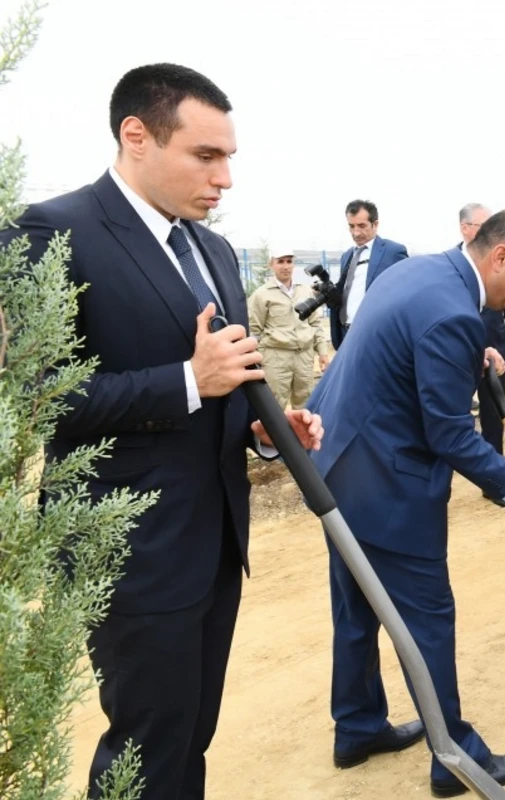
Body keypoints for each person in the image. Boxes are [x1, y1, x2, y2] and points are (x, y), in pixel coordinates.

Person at [0, 63, 323, 799]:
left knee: (189, 735)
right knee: (144, 748)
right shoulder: (51, 231)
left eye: (229, 157)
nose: (225, 178)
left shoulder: (211, 248)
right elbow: (34, 398)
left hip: (214, 541)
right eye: (206, 156)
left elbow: (226, 378)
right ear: (136, 136)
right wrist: (186, 381)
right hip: (128, 551)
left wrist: (268, 430)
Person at [307, 209, 505, 798]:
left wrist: (477, 358)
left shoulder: (418, 273)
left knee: (357, 606)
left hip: (337, 466)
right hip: (388, 485)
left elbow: (407, 352)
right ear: (500, 257)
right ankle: (455, 759)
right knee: (427, 620)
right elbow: (450, 435)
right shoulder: (453, 313)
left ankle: (358, 727)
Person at [459, 203, 505, 507]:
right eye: (483, 226)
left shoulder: (502, 261)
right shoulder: (453, 263)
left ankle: (493, 483)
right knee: (455, 419)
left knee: (494, 418)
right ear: (465, 228)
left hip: (494, 356)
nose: (490, 232)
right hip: (457, 354)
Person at [248, 245, 331, 409]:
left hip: (304, 358)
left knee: (307, 405)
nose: (285, 266)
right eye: (280, 262)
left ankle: (302, 436)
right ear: (271, 264)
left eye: (289, 261)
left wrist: (322, 352)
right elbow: (254, 330)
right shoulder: (262, 295)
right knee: (274, 407)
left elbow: (315, 324)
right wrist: (255, 360)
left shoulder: (305, 291)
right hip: (276, 358)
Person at [328, 199, 408, 349]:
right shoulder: (347, 256)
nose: (356, 232)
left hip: (376, 335)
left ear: (375, 224)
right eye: (351, 226)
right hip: (346, 333)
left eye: (362, 226)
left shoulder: (393, 252)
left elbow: (406, 294)